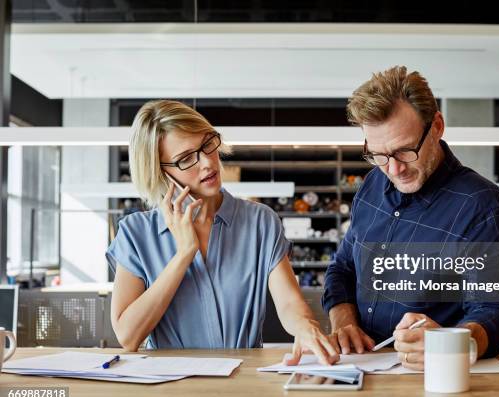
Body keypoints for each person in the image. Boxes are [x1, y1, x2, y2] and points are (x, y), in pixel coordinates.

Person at [106, 100, 338, 366]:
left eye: (207, 145)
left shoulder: (259, 221)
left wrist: (306, 327)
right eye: (186, 159)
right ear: (160, 173)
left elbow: (289, 303)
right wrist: (184, 254)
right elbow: (128, 335)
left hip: (243, 382)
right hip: (169, 387)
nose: (207, 162)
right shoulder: (136, 233)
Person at [322, 66, 499, 370]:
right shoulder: (372, 185)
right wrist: (343, 321)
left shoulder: (480, 205)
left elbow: (492, 310)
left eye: (405, 151)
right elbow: (343, 268)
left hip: (431, 374)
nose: (394, 169)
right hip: (359, 369)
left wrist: (452, 343)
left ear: (436, 126)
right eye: (379, 155)